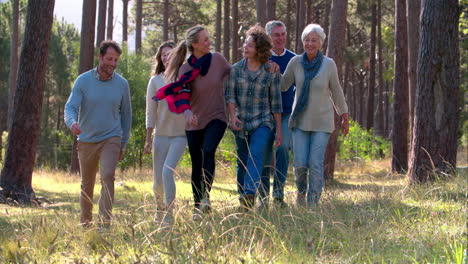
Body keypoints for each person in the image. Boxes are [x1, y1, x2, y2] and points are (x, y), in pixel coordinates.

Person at [156, 25, 231, 218]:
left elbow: (235, 72)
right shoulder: (186, 68)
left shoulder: (218, 59)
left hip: (217, 116)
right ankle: (198, 205)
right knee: (197, 162)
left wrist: (262, 62)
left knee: (208, 150)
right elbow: (181, 95)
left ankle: (206, 196)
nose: (209, 42)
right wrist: (188, 112)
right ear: (195, 45)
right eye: (205, 39)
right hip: (194, 122)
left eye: (208, 38)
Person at [64, 40, 132, 227]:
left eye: (116, 60)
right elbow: (70, 107)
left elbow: (126, 116)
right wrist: (72, 123)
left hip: (111, 137)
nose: (112, 63)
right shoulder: (83, 81)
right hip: (86, 139)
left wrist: (122, 144)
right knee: (87, 184)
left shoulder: (122, 84)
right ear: (100, 57)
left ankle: (104, 225)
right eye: (109, 58)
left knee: (108, 175)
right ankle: (86, 224)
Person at [281, 24, 349, 207]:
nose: (310, 43)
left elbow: (336, 91)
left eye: (314, 40)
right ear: (303, 42)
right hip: (300, 121)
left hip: (322, 122)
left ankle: (313, 203)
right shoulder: (295, 62)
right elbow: (283, 85)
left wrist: (344, 115)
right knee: (301, 164)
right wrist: (270, 72)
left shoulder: (329, 64)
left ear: (320, 43)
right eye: (307, 40)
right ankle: (301, 193)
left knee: (315, 163)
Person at [225, 24, 282, 210]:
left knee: (256, 155)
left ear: (259, 49)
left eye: (249, 45)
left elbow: (276, 103)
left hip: (263, 122)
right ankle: (244, 202)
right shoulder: (236, 70)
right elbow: (230, 96)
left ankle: (250, 192)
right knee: (242, 161)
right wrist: (233, 116)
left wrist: (279, 131)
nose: (244, 48)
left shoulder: (271, 71)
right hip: (241, 122)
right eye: (244, 44)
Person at [144, 41, 186, 224]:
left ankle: (169, 216)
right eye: (163, 55)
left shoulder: (185, 78)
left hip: (180, 135)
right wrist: (148, 138)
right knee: (157, 181)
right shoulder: (155, 81)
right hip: (160, 136)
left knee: (167, 173)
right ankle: (159, 211)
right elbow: (150, 111)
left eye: (170, 54)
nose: (166, 57)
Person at [258, 20, 296, 208]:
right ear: (269, 37)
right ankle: (263, 197)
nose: (280, 38)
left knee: (282, 149)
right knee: (264, 153)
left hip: (287, 114)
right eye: (276, 35)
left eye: (283, 34)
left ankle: (279, 194)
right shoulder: (261, 60)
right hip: (265, 115)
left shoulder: (294, 59)